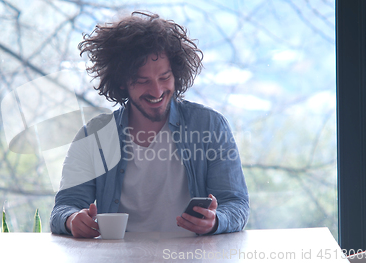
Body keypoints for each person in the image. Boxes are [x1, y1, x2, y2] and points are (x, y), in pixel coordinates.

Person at [50, 11, 249, 238]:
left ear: (177, 74)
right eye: (143, 81)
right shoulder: (94, 136)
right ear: (122, 82)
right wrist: (72, 220)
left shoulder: (210, 126)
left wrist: (216, 221)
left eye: (164, 77)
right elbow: (64, 208)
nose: (157, 91)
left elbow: (236, 204)